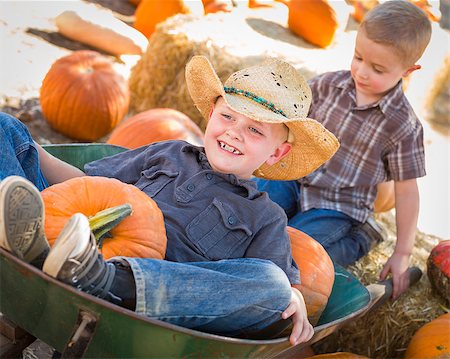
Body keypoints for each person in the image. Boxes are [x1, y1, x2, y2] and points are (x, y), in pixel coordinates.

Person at [0, 55, 339, 345]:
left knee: (273, 286)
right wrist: (29, 148)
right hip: (72, 235)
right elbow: (89, 187)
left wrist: (292, 295)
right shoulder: (169, 153)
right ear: (210, 113)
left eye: (256, 130)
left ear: (278, 152)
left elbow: (272, 287)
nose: (235, 131)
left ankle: (103, 279)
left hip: (142, 303)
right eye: (228, 116)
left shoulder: (266, 216)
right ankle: (19, 232)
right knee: (6, 126)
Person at [255, 0, 431, 300]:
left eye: (377, 68)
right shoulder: (327, 85)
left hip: (338, 205)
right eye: (358, 57)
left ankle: (362, 235)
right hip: (296, 179)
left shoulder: (403, 126)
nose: (361, 72)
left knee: (294, 253)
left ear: (408, 70)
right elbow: (288, 120)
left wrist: (403, 252)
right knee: (249, 212)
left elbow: (406, 191)